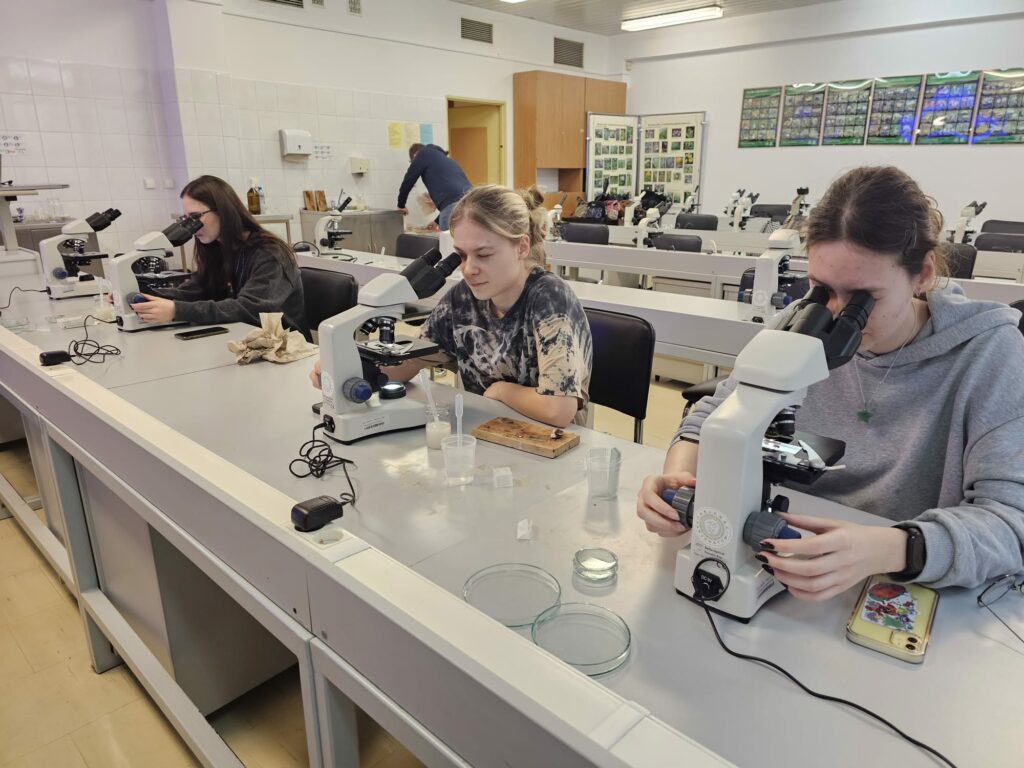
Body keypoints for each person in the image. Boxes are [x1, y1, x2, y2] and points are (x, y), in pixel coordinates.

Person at [637, 166, 1024, 600]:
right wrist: (679, 481)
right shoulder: (798, 324)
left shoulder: (990, 352)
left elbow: (1012, 522)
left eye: (863, 298)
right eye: (822, 288)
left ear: (923, 273)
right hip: (785, 560)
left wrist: (892, 548)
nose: (837, 315)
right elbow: (714, 413)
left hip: (898, 579)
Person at [312, 184, 592, 428]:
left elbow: (558, 409)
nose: (469, 269)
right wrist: (346, 370)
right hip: (487, 434)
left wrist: (502, 391)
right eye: (461, 256)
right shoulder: (462, 299)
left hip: (554, 445)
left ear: (521, 247)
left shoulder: (549, 298)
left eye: (483, 254)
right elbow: (406, 364)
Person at [129, 175, 308, 336]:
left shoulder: (271, 254)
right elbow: (199, 289)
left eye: (196, 216)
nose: (192, 226)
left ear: (223, 211)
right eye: (186, 219)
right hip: (242, 338)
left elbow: (250, 309)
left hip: (285, 348)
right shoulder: (219, 248)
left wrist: (177, 310)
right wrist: (143, 295)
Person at [397, 143, 472, 230]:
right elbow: (455, 201)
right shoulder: (445, 159)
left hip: (454, 205)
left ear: (415, 155)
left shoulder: (422, 154)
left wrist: (401, 205)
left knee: (448, 238)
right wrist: (437, 221)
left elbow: (409, 179)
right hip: (473, 201)